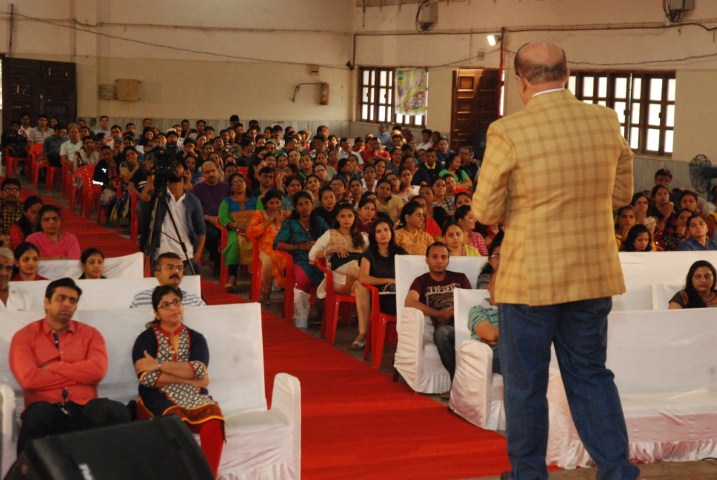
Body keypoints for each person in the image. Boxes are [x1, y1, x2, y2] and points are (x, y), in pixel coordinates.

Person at [472, 41, 639, 480]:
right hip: (591, 274)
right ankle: (617, 470)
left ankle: (528, 474)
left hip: (530, 279)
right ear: (568, 73)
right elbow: (622, 193)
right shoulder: (605, 121)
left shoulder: (508, 130)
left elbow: (485, 209)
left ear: (521, 81)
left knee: (525, 385)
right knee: (590, 374)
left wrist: (523, 206)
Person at [9, 278, 131, 453]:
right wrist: (80, 374)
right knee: (37, 414)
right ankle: (28, 468)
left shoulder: (91, 334)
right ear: (46, 303)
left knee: (116, 411)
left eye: (72, 300)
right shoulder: (24, 336)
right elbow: (29, 379)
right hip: (46, 407)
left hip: (85, 407)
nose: (67, 304)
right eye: (61, 298)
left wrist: (55, 367)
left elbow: (97, 372)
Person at [132, 285, 224, 476]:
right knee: (175, 421)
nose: (173, 308)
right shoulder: (146, 339)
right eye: (165, 305)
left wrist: (158, 364)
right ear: (156, 313)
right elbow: (146, 378)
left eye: (176, 302)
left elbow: (198, 369)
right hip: (157, 396)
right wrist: (192, 381)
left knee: (214, 416)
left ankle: (208, 476)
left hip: (193, 396)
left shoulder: (196, 338)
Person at [405, 242, 471, 398]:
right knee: (441, 333)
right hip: (447, 330)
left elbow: (470, 300)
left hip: (466, 325)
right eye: (434, 257)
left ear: (448, 259)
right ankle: (458, 382)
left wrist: (451, 312)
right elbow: (409, 301)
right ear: (426, 259)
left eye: (443, 257)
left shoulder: (460, 278)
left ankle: (458, 384)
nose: (439, 261)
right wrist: (438, 314)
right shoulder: (421, 281)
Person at [138, 157, 206, 274]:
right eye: (172, 165)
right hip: (160, 256)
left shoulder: (193, 201)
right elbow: (143, 202)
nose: (174, 168)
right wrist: (150, 179)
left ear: (186, 172)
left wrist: (197, 254)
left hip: (186, 257)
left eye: (177, 165)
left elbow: (201, 230)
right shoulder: (158, 196)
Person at [274, 192, 330, 324]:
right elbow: (277, 244)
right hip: (298, 259)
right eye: (300, 204)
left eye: (307, 203)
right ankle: (301, 317)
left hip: (319, 259)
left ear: (312, 204)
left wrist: (317, 244)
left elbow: (331, 239)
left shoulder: (320, 222)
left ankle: (318, 310)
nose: (304, 207)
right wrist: (299, 247)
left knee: (330, 277)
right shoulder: (290, 224)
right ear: (295, 207)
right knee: (303, 280)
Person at [353, 219, 407, 350]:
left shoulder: (400, 252)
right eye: (378, 231)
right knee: (359, 286)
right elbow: (363, 278)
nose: (383, 233)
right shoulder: (369, 254)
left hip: (399, 295)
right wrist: (388, 280)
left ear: (391, 232)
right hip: (380, 297)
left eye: (386, 230)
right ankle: (363, 333)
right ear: (373, 235)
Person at [309, 204, 368, 298]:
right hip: (336, 280)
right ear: (337, 218)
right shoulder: (330, 234)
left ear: (354, 218)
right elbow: (312, 255)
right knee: (354, 268)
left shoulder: (362, 237)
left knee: (363, 284)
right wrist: (331, 250)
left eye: (350, 216)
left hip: (356, 280)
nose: (346, 219)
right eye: (342, 216)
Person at [246, 189, 290, 305]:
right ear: (266, 203)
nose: (275, 206)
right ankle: (266, 293)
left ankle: (291, 296)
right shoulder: (259, 214)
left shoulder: (286, 215)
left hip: (285, 247)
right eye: (271, 203)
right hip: (265, 247)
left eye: (277, 202)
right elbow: (250, 232)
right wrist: (269, 220)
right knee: (268, 262)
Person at [218, 172, 256, 292]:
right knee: (234, 242)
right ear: (231, 187)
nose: (238, 184)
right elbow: (223, 218)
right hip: (234, 230)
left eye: (240, 181)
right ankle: (233, 277)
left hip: (254, 231)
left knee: (260, 244)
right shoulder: (226, 202)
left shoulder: (255, 200)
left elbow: (261, 215)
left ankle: (258, 277)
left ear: (246, 183)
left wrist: (250, 227)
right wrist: (236, 225)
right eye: (235, 182)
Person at [192, 160, 231, 273]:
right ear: (203, 174)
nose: (211, 174)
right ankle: (215, 258)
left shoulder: (226, 186)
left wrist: (222, 218)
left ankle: (223, 263)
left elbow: (232, 204)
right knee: (211, 234)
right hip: (206, 221)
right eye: (207, 172)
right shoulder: (197, 188)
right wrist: (208, 217)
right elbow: (193, 210)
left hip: (224, 219)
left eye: (213, 171)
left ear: (218, 171)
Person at [130, 252, 205, 307]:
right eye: (170, 268)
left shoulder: (195, 302)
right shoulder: (141, 299)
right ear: (158, 275)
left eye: (179, 268)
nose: (175, 271)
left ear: (182, 276)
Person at [467, 273, 501, 374]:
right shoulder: (477, 310)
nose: (500, 288)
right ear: (489, 287)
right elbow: (490, 334)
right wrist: (513, 334)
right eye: (497, 284)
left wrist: (500, 337)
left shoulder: (515, 311)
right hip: (492, 356)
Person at [0, 178, 24, 247]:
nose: (11, 193)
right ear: (1, 192)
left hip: (18, 242)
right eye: (7, 190)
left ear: (19, 192)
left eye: (15, 190)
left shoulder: (24, 209)